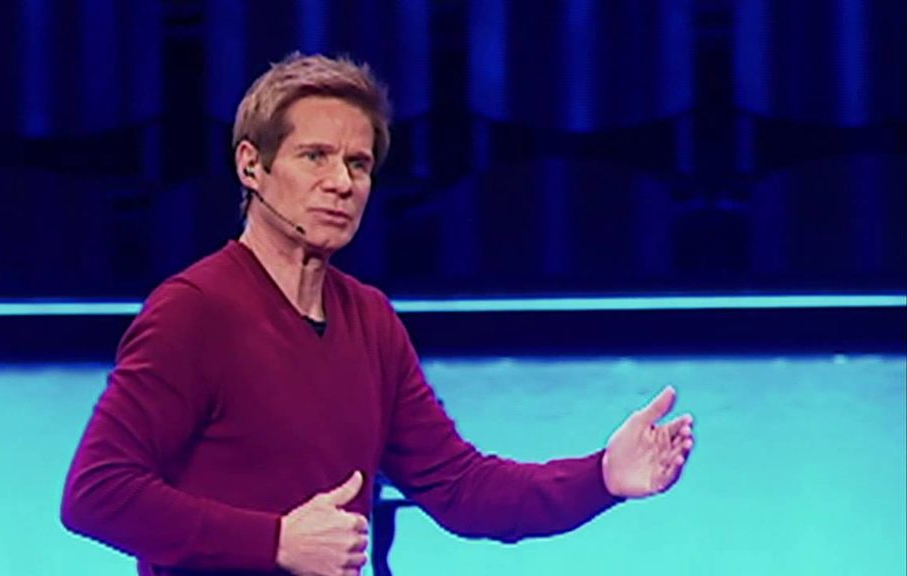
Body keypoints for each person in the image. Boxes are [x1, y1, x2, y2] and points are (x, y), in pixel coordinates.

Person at [60, 52, 695, 576]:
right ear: (251, 165)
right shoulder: (196, 311)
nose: (342, 183)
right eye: (315, 156)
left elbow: (460, 487)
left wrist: (601, 477)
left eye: (357, 164)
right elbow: (96, 493)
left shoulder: (369, 320)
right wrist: (275, 542)